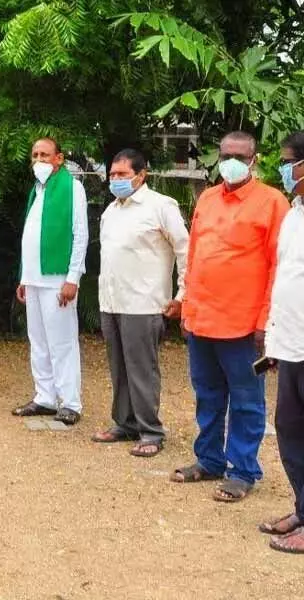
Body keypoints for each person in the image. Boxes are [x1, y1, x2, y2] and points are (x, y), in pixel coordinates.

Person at [171, 131, 289, 503]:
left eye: (239, 155)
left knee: (246, 400)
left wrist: (265, 321)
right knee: (207, 394)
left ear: (254, 160)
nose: (231, 161)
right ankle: (208, 459)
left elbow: (278, 267)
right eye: (225, 154)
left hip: (244, 325)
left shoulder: (272, 202)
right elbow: (194, 258)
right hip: (202, 319)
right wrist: (187, 305)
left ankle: (242, 470)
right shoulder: (207, 198)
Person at [92, 149, 188, 457]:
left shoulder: (161, 206)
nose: (116, 180)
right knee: (119, 368)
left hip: (144, 302)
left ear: (141, 174)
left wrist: (181, 295)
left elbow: (185, 251)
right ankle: (125, 423)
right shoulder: (111, 211)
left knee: (142, 369)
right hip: (112, 301)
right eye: (112, 175)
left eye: (122, 174)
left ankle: (151, 431)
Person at [12, 137, 89, 425]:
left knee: (62, 342)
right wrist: (23, 276)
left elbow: (80, 235)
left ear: (59, 158)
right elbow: (30, 236)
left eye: (45, 155)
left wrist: (73, 277)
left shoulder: (73, 188)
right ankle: (44, 397)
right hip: (33, 278)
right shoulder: (37, 190)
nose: (39, 160)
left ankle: (70, 402)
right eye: (35, 155)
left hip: (58, 278)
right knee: (39, 341)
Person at [261, 131, 304, 551]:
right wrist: (274, 338)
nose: (284, 171)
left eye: (288, 162)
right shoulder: (293, 214)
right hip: (291, 343)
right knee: (289, 428)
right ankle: (302, 509)